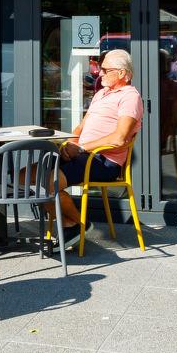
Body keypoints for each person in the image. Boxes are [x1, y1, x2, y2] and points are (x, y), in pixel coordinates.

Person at [55, 49, 141, 227]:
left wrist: (80, 148)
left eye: (105, 70)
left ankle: (75, 225)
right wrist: (69, 146)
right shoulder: (101, 94)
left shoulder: (130, 97)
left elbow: (119, 138)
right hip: (83, 155)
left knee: (47, 183)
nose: (99, 73)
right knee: (26, 177)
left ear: (122, 73)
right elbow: (80, 128)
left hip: (104, 161)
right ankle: (71, 223)